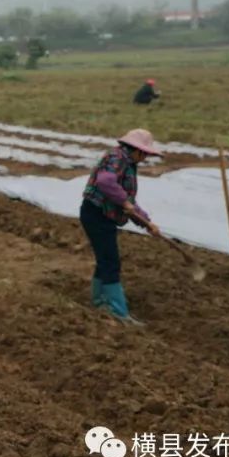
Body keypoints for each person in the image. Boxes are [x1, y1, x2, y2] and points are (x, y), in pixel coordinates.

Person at [81, 129, 162, 325]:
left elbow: (128, 203)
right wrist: (125, 202)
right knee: (111, 262)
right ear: (137, 150)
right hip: (96, 214)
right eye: (145, 154)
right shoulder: (118, 157)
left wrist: (146, 222)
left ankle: (100, 302)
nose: (145, 159)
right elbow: (105, 181)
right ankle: (117, 311)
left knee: (105, 260)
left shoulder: (127, 161)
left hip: (102, 216)